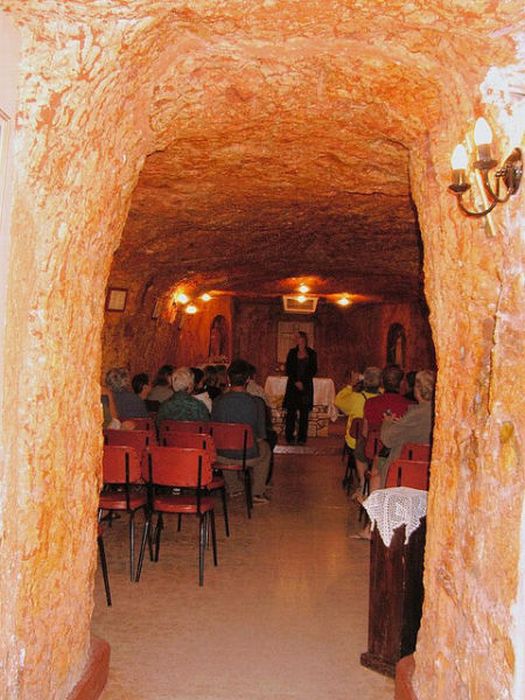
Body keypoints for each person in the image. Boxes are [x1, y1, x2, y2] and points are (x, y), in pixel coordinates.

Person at [211, 359, 271, 503]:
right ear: (248, 379)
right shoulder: (257, 403)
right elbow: (261, 435)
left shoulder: (218, 401)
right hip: (247, 455)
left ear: (228, 378)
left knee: (224, 440)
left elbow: (215, 430)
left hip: (220, 455)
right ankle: (257, 492)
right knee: (265, 449)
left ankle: (233, 487)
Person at [379, 369, 435, 486]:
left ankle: (376, 502)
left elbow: (387, 440)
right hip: (428, 467)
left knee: (379, 467)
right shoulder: (436, 411)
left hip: (407, 469)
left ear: (418, 389)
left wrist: (387, 422)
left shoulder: (417, 413)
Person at [336, 367, 382, 490]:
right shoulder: (382, 397)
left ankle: (362, 481)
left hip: (356, 441)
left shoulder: (356, 398)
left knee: (361, 445)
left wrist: (350, 385)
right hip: (380, 442)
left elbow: (338, 401)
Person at [283, 331, 317, 444]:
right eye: (296, 338)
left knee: (304, 413)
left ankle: (302, 438)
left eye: (299, 338)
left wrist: (303, 382)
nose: (297, 340)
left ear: (304, 339)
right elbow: (288, 369)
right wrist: (296, 381)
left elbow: (313, 370)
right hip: (293, 386)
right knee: (291, 412)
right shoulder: (292, 353)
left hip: (306, 387)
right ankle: (289, 436)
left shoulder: (312, 353)